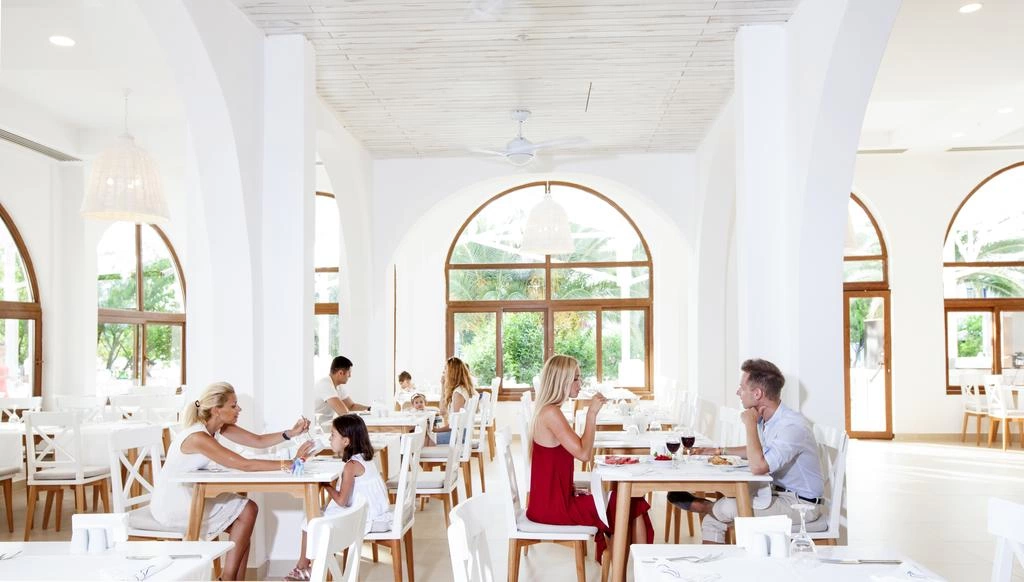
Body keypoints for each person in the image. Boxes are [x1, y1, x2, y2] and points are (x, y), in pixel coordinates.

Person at [152, 382, 314, 581]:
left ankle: (230, 579)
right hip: (174, 503)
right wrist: (290, 463)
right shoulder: (198, 437)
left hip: (190, 496)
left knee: (244, 522)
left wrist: (291, 433)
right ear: (216, 410)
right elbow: (245, 465)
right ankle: (227, 579)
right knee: (247, 513)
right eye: (233, 405)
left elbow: (258, 441)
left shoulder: (218, 427)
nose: (239, 409)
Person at [667, 358, 825, 544]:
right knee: (715, 519)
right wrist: (718, 451)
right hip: (776, 494)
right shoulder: (771, 418)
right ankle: (716, 558)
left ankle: (704, 506)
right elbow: (758, 452)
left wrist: (750, 423)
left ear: (757, 393)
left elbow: (759, 466)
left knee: (725, 509)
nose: (738, 392)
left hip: (801, 505)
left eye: (742, 388)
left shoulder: (792, 426)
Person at [527, 355, 653, 562]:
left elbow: (571, 454)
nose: (580, 383)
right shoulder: (551, 413)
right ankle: (640, 567)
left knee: (628, 501)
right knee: (631, 502)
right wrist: (591, 414)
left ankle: (623, 567)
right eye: (576, 378)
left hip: (554, 501)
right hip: (553, 508)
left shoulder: (549, 411)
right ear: (562, 381)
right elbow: (584, 454)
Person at [284, 414, 392, 581]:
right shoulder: (365, 459)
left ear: (346, 441)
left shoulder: (351, 466)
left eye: (333, 435)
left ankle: (305, 568)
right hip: (374, 512)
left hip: (365, 518)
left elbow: (341, 501)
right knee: (318, 514)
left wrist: (326, 485)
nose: (329, 438)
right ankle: (307, 567)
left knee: (310, 521)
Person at [433, 357, 476, 445]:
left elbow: (455, 425)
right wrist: (443, 386)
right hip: (460, 433)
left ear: (452, 373)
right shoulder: (460, 389)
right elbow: (442, 411)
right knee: (424, 437)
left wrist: (436, 430)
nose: (443, 372)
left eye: (446, 369)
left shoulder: (458, 393)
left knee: (422, 439)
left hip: (459, 435)